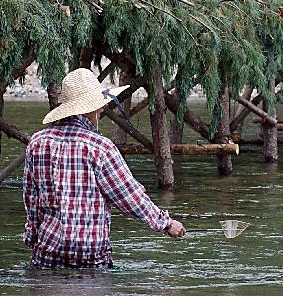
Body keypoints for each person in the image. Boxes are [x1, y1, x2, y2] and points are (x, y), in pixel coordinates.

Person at [23, 68, 186, 268]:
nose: (101, 111)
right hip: (91, 257)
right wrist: (166, 223)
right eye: (99, 108)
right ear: (91, 109)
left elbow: (31, 199)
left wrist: (32, 236)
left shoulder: (38, 143)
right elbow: (130, 196)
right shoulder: (101, 148)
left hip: (47, 253)